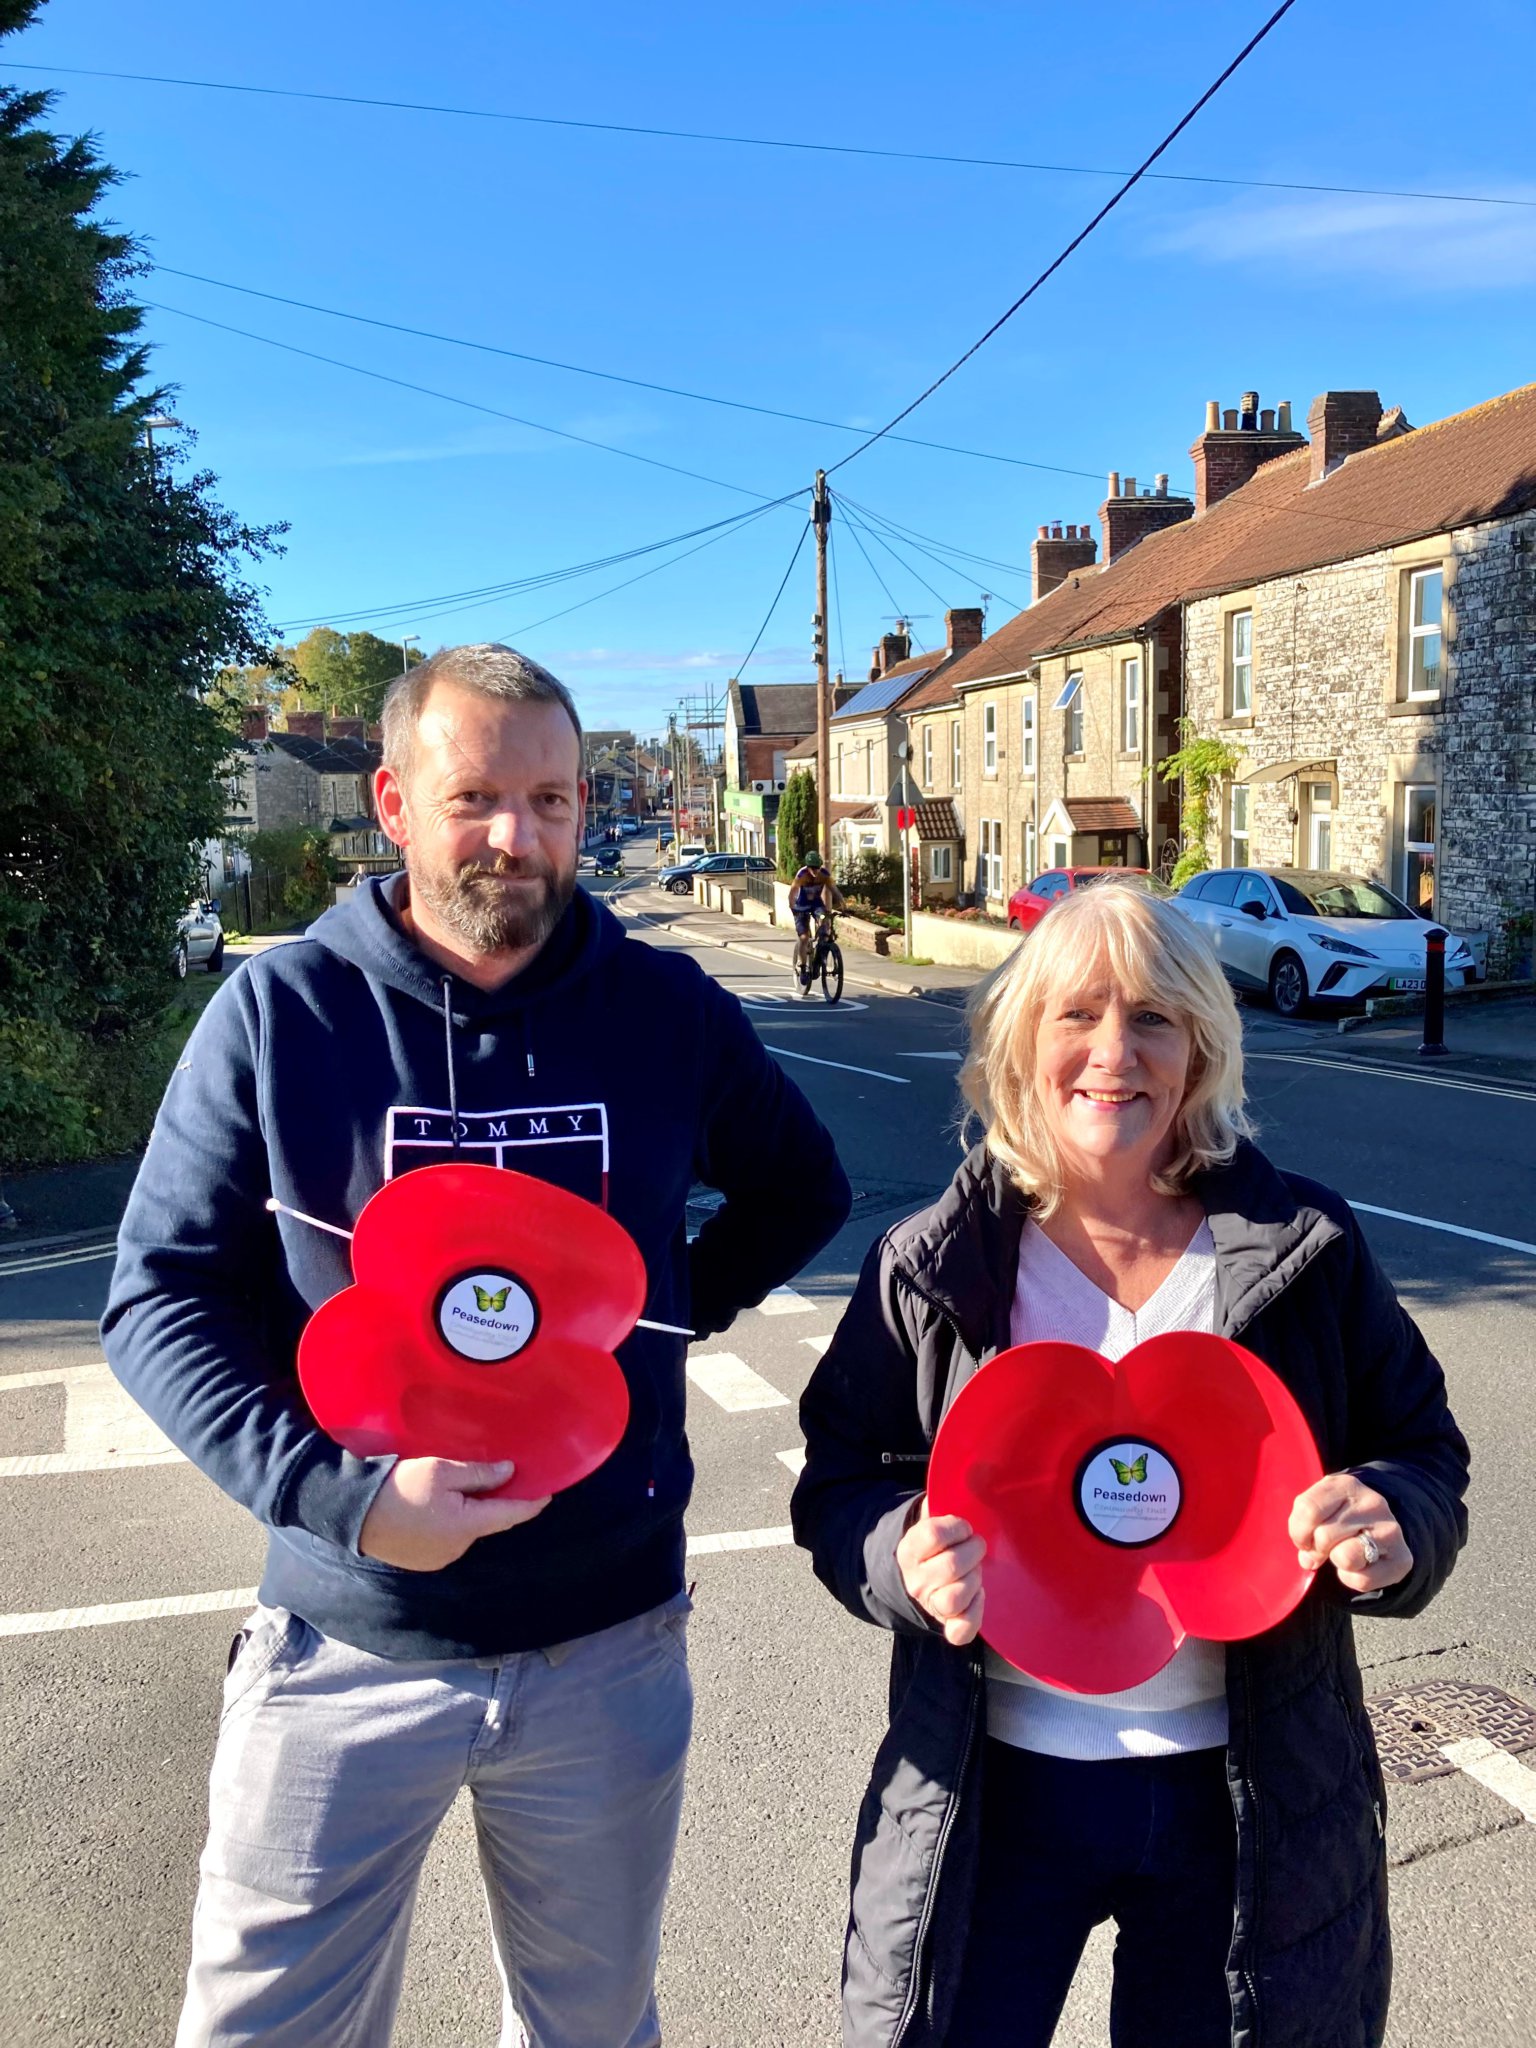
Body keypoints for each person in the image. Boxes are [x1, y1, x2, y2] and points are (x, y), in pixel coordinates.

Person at [104, 642, 851, 2048]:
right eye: (477, 799)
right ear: (393, 802)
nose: (520, 836)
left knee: (588, 2029)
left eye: (556, 800)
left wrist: (648, 1335)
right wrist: (352, 1503)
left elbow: (798, 1187)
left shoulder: (666, 1014)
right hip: (345, 1641)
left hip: (607, 1649)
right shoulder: (281, 1016)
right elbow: (158, 1297)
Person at [791, 882, 1468, 2048]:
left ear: (1200, 1045)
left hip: (1246, 1800)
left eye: (1154, 1017)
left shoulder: (1301, 1247)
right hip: (994, 1789)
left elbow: (1421, 1446)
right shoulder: (933, 1265)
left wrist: (1396, 1517)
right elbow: (840, 1481)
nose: (1115, 1051)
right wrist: (902, 1557)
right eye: (1078, 1015)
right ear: (1020, 1044)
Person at [789, 851, 843, 992]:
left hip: (816, 905)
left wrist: (843, 903)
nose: (815, 871)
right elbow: (792, 891)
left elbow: (833, 889)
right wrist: (792, 907)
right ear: (808, 867)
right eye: (813, 868)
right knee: (804, 937)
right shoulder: (801, 875)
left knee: (825, 927)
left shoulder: (824, 874)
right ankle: (802, 966)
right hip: (801, 907)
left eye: (817, 867)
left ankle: (822, 956)